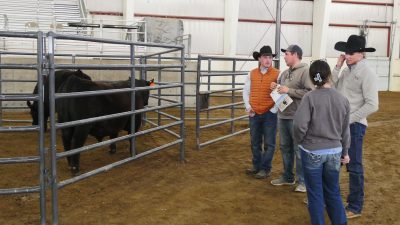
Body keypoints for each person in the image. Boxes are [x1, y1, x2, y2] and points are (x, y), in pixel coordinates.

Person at [294, 60, 351, 225]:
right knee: (333, 191)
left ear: (312, 79)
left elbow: (299, 125)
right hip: (334, 152)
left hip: (312, 151)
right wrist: (345, 152)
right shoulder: (342, 99)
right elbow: (345, 130)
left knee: (315, 194)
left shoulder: (309, 98)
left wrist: (300, 141)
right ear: (329, 76)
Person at [332, 34, 379, 219]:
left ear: (361, 54)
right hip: (341, 125)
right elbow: (332, 87)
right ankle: (335, 199)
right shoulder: (345, 71)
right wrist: (337, 66)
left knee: (354, 165)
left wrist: (349, 119)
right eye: (346, 52)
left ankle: (355, 206)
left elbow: (373, 104)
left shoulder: (367, 73)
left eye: (351, 53)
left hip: (354, 126)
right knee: (336, 162)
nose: (347, 55)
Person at [270, 45, 313, 192]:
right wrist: (276, 87)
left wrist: (289, 90)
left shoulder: (305, 71)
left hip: (298, 117)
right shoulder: (284, 73)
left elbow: (310, 92)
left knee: (299, 149)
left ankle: (303, 181)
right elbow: (283, 90)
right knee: (285, 147)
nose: (284, 56)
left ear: (295, 55)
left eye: (287, 54)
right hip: (283, 115)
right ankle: (288, 176)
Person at [243, 45, 280, 179]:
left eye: (270, 57)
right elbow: (246, 91)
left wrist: (273, 109)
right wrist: (248, 106)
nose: (268, 60)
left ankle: (265, 168)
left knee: (269, 143)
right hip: (254, 113)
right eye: (265, 57)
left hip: (269, 113)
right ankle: (256, 166)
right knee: (255, 141)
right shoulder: (251, 73)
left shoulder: (278, 74)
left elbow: (281, 93)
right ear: (259, 58)